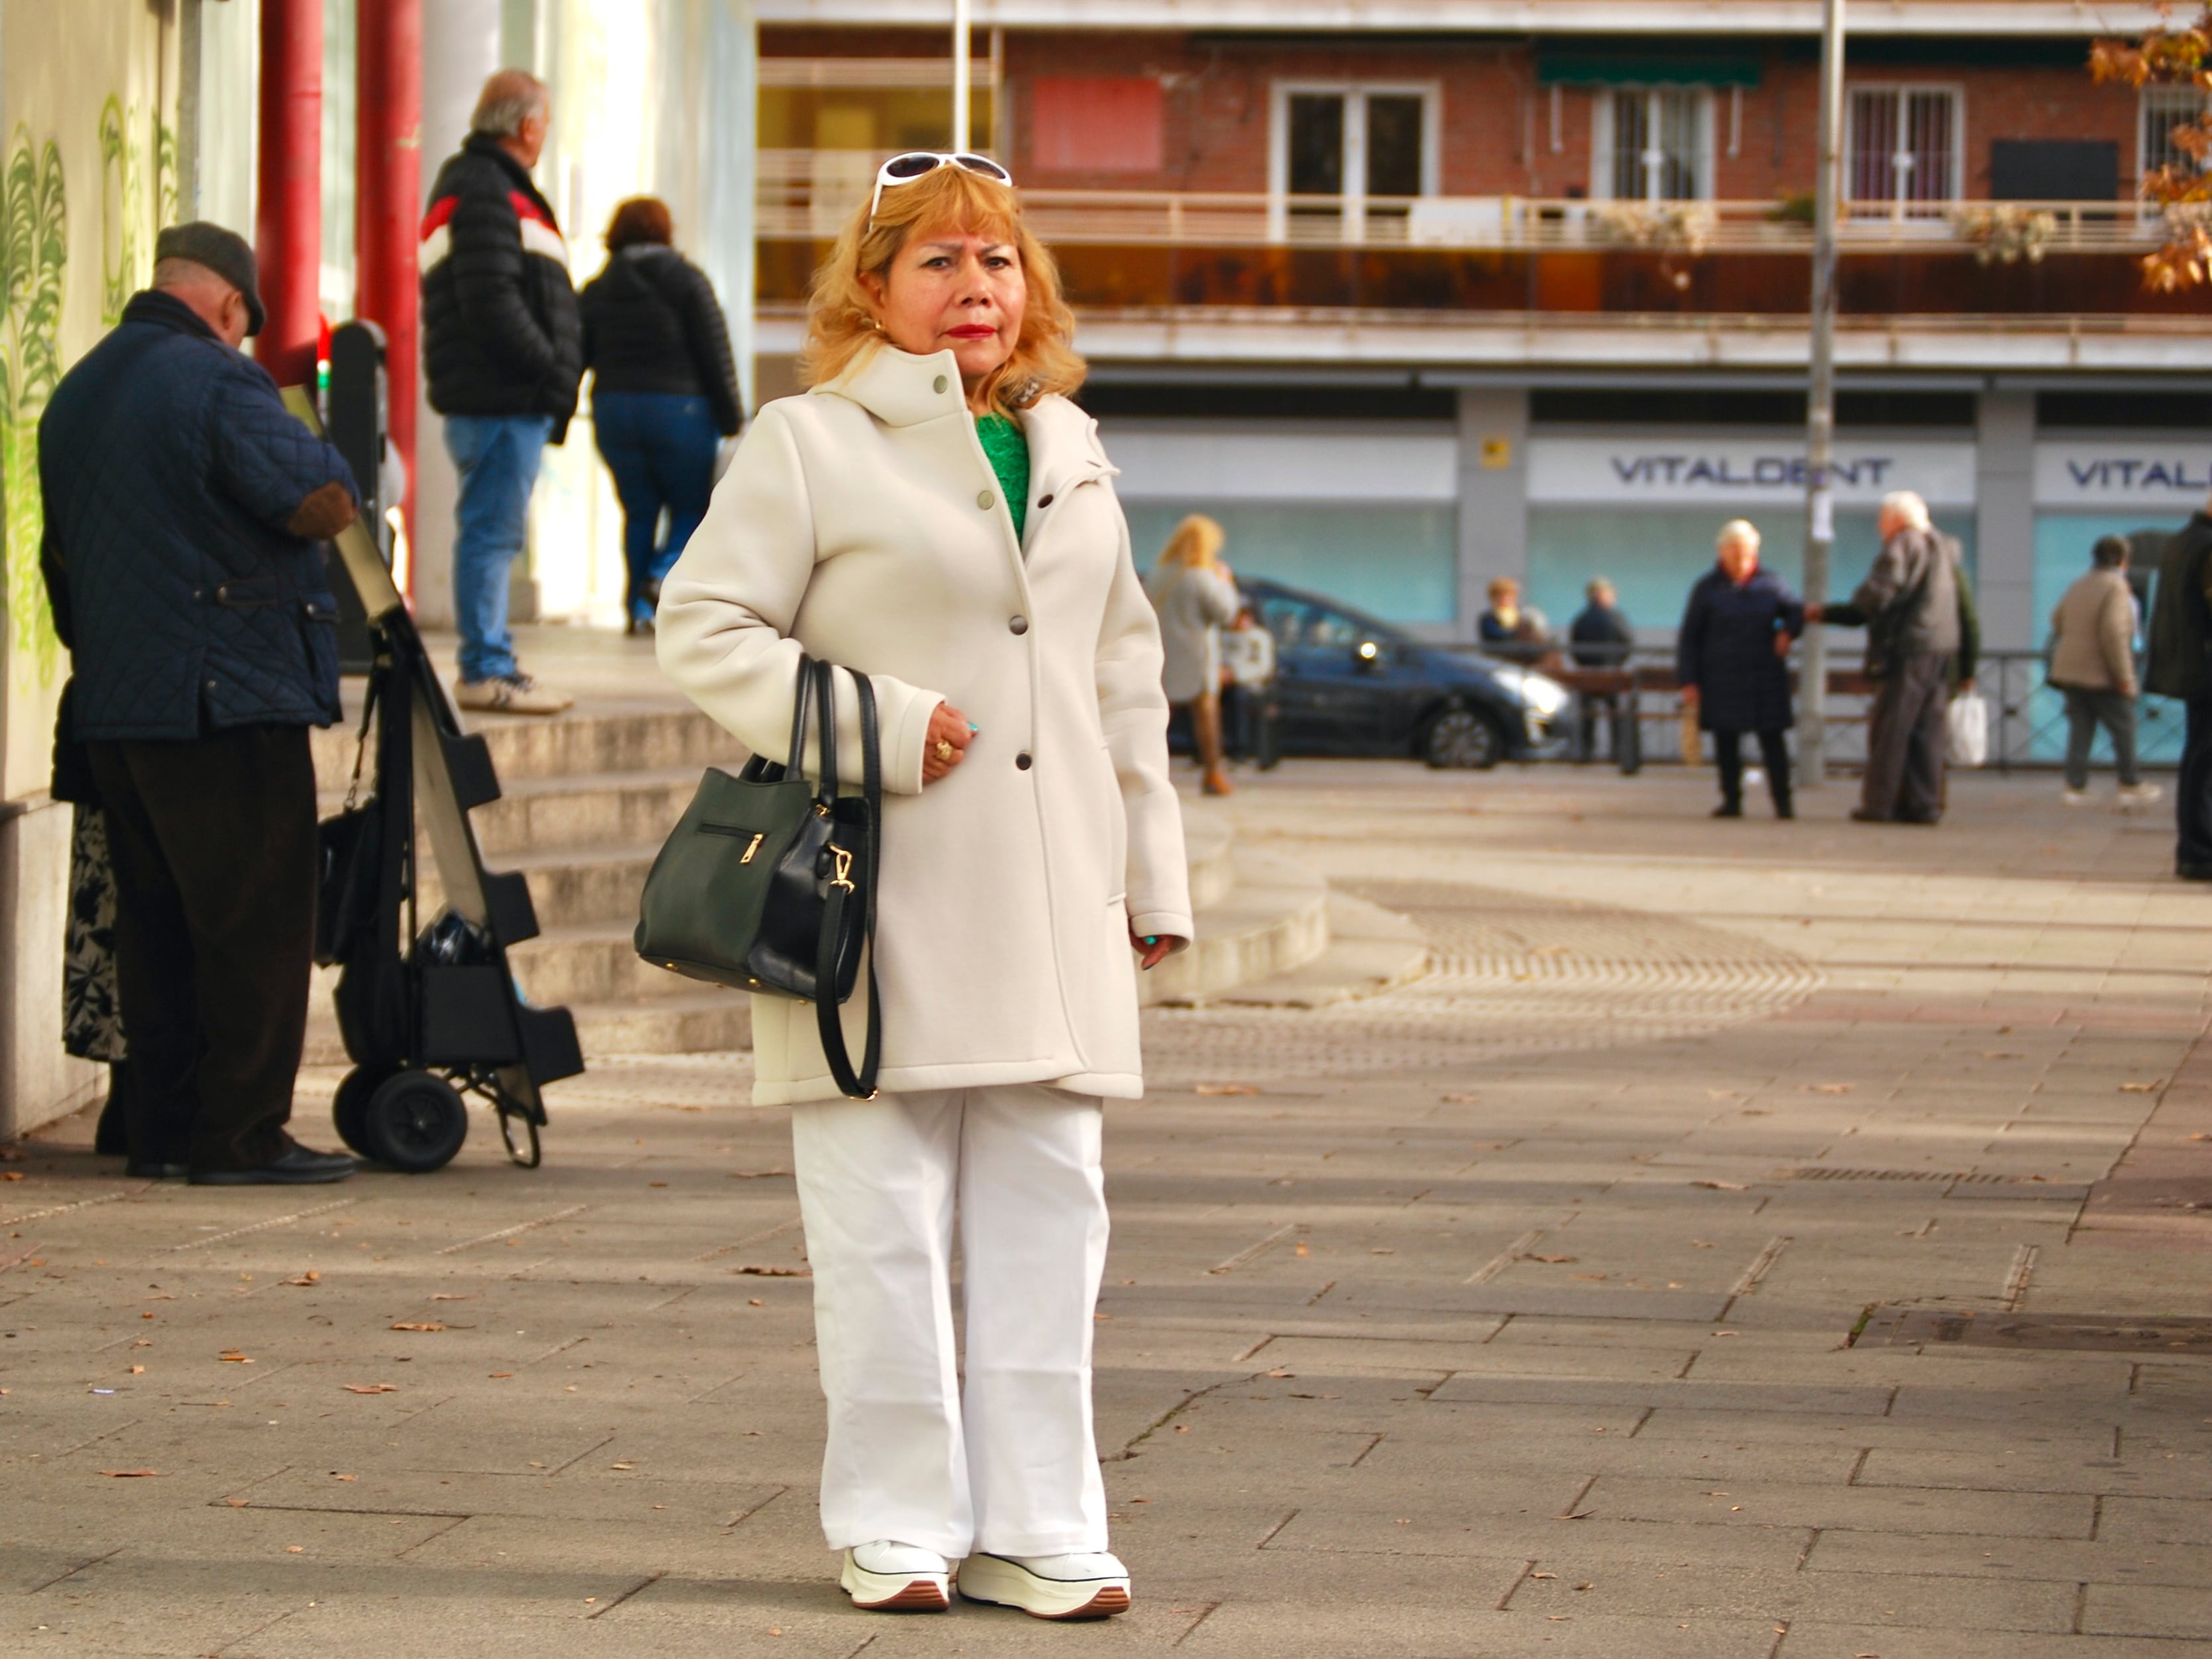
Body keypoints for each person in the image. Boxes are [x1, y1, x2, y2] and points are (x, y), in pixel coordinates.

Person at [655, 152, 1190, 1621]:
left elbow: (1122, 672)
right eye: (940, 262)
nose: (974, 288)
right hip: (866, 896)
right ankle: (896, 1521)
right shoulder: (809, 441)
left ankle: (1043, 1524)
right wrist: (882, 725)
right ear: (873, 289)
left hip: (1055, 900)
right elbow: (702, 625)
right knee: (878, 1222)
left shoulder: (1071, 442)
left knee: (1049, 1217)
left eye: (997, 262)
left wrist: (1153, 875)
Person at [37, 222, 360, 1185]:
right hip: (227, 697)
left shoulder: (78, 391)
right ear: (229, 308)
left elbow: (62, 564)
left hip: (119, 707)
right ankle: (241, 1135)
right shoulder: (220, 379)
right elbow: (319, 496)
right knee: (258, 925)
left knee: (158, 924)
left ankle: (163, 1129)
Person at [421, 68, 582, 715]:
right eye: (543, 122)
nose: (544, 134)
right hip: (501, 399)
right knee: (490, 534)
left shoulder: (484, 185)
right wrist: (546, 366)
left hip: (501, 398)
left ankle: (494, 662)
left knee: (492, 533)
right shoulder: (487, 187)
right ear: (527, 126)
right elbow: (490, 299)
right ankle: (485, 669)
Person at [579, 195, 744, 635]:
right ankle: (661, 575)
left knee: (638, 511)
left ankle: (637, 606)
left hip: (614, 410)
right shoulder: (687, 281)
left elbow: (577, 354)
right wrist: (732, 418)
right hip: (680, 410)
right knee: (691, 507)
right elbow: (715, 353)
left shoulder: (597, 289)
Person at [1809, 490, 1978, 826]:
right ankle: (1924, 804)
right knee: (1927, 732)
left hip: (1908, 649)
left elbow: (1877, 596)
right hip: (1942, 649)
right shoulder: (1944, 548)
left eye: (1882, 520)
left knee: (1892, 729)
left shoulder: (1903, 545)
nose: (1879, 527)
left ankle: (1879, 804)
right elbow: (1964, 611)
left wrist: (1826, 612)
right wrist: (1967, 663)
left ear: (1897, 520)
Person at [1677, 521, 1803, 820]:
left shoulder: (1772, 583)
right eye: (1735, 553)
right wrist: (1688, 680)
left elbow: (1795, 610)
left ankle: (1783, 802)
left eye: (1747, 553)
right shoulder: (1707, 588)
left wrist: (1788, 632)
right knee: (1727, 741)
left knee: (1772, 740)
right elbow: (1690, 637)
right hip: (1722, 676)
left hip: (1765, 675)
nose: (1742, 560)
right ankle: (1731, 800)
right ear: (1722, 553)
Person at [2049, 535, 2161, 810]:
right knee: (2124, 725)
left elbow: (2057, 618)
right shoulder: (2116, 587)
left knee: (2081, 728)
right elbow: (2114, 634)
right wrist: (2124, 677)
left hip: (2070, 669)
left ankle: (2075, 785)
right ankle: (2130, 781)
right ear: (2123, 560)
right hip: (2101, 672)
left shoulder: (2080, 583)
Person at [1144, 514, 1240, 796]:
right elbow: (1225, 613)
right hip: (1197, 658)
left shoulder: (1159, 573)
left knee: (1158, 717)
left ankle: (1148, 771)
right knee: (1206, 717)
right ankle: (1213, 774)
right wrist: (1225, 581)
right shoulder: (1201, 576)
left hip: (1162, 655)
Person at [2146, 496, 2212, 877]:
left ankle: (2196, 848)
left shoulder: (2182, 542)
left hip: (2194, 669)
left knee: (2198, 760)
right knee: (2205, 764)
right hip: (2207, 669)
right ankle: (2201, 851)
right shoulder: (2207, 546)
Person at [1569, 577, 1635, 761]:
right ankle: (1617, 752)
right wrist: (1617, 663)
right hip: (1611, 673)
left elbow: (1575, 647)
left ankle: (1586, 752)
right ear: (1600, 595)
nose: (1613, 598)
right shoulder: (1616, 618)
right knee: (1615, 715)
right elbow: (1628, 642)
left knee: (1588, 716)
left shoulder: (1581, 619)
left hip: (1588, 673)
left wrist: (1585, 663)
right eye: (1611, 594)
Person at [1219, 605, 1278, 766]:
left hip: (1249, 685)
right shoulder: (1222, 637)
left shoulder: (1259, 638)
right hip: (1220, 683)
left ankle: (1240, 749)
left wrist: (1235, 675)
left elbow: (1263, 667)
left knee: (1239, 699)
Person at [1478, 575, 1553, 665]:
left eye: (1508, 596)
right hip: (1501, 657)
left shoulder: (1522, 615)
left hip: (1524, 655)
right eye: (1500, 596)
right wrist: (1517, 632)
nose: (1505, 599)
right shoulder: (1488, 617)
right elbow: (1494, 635)